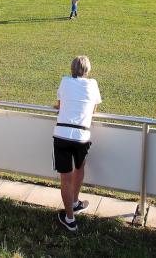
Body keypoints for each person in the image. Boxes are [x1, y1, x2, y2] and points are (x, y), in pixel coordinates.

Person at [53, 55, 102, 232]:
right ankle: (74, 203)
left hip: (62, 134)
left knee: (65, 178)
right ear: (87, 71)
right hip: (81, 135)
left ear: (72, 69)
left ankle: (70, 218)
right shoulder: (93, 84)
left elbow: (59, 104)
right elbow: (94, 108)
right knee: (79, 168)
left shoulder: (65, 82)